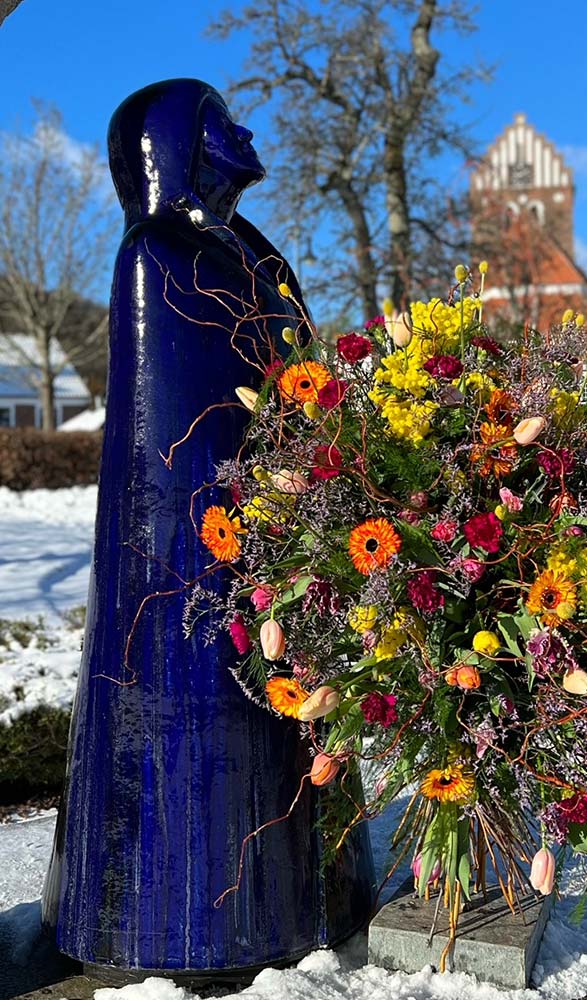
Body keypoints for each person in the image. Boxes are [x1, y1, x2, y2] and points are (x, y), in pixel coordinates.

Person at [42, 79, 374, 978]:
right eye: (221, 123)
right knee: (202, 690)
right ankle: (185, 921)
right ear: (175, 147)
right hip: (194, 554)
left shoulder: (253, 250)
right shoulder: (156, 255)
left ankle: (317, 890)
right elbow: (168, 434)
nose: (245, 132)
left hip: (279, 530)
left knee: (289, 699)